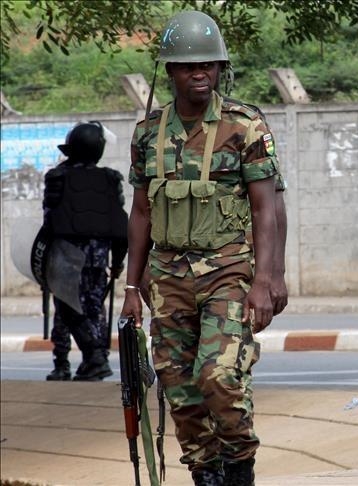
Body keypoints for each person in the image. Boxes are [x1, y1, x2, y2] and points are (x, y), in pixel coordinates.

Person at [120, 10, 280, 486]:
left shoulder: (244, 125)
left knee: (219, 377)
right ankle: (206, 475)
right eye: (189, 66)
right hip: (167, 277)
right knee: (180, 388)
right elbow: (141, 212)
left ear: (219, 69)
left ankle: (239, 469)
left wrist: (269, 279)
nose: (200, 74)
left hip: (229, 270)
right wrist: (132, 285)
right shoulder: (148, 133)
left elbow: (268, 209)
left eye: (208, 65)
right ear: (170, 71)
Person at [43, 121, 128, 381]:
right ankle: (95, 359)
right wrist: (117, 261)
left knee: (66, 309)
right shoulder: (111, 179)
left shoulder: (56, 177)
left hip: (65, 256)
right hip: (98, 259)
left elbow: (49, 220)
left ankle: (71, 362)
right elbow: (119, 224)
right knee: (94, 310)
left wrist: (44, 261)